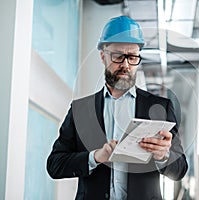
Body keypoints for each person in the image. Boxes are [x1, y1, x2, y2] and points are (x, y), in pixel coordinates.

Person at [47, 15, 188, 200]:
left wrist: (163, 155)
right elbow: (55, 165)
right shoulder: (80, 111)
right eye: (118, 56)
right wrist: (96, 157)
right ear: (103, 56)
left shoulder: (159, 107)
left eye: (132, 57)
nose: (126, 65)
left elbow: (180, 170)